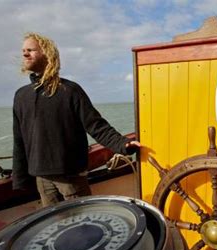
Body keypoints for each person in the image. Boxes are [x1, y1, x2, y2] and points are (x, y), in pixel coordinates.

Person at [12, 32, 140, 207]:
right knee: (53, 226)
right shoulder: (21, 96)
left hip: (70, 177)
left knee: (82, 226)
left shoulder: (69, 91)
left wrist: (122, 144)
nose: (25, 54)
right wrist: (20, 178)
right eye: (23, 50)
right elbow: (19, 140)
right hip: (41, 178)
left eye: (31, 50)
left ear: (47, 54)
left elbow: (95, 125)